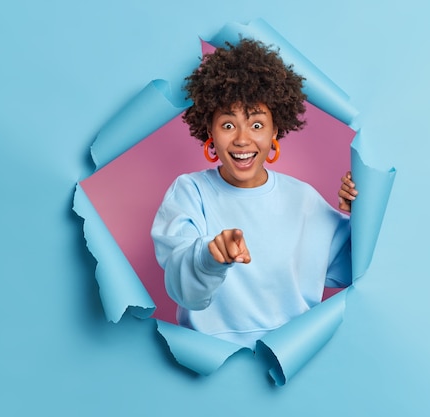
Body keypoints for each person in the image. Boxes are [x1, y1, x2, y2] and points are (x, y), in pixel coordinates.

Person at [151, 39, 358, 348]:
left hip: (291, 357)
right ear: (210, 128)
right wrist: (211, 256)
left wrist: (361, 214)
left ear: (275, 129)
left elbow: (354, 268)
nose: (243, 140)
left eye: (257, 124)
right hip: (212, 358)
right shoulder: (190, 192)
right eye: (228, 125)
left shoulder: (303, 199)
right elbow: (182, 290)